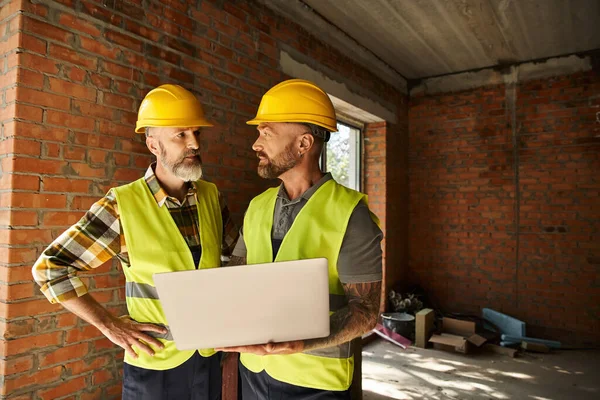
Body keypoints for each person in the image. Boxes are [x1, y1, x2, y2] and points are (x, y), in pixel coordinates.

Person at [32, 84, 237, 400]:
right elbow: (50, 268)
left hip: (209, 358)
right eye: (180, 135)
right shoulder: (121, 205)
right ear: (153, 144)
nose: (194, 143)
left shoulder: (212, 196)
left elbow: (233, 267)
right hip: (155, 366)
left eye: (196, 133)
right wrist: (109, 325)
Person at [219, 79, 383, 399]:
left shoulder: (351, 214)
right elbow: (236, 279)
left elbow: (366, 312)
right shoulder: (258, 206)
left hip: (315, 383)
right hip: (254, 370)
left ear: (304, 144)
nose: (256, 143)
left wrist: (302, 342)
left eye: (267, 132)